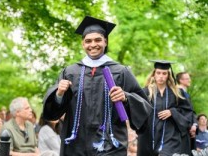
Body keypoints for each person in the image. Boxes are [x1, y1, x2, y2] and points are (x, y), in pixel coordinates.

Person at [43, 16, 152, 156]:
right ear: (83, 44)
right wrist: (58, 94)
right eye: (88, 41)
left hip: (110, 144)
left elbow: (144, 108)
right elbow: (53, 113)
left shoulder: (120, 72)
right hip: (76, 144)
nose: (93, 44)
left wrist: (126, 97)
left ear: (105, 42)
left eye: (98, 40)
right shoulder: (70, 72)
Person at [137, 60, 194, 156]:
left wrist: (173, 112)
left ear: (168, 75)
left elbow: (187, 112)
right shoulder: (145, 92)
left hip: (170, 137)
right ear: (154, 74)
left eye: (164, 73)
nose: (161, 76)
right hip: (149, 136)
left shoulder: (177, 93)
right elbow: (136, 111)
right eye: (158, 73)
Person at [176, 72, 198, 154]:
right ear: (181, 80)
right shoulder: (177, 93)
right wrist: (190, 126)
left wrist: (194, 125)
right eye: (187, 78)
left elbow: (191, 111)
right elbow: (181, 111)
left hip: (189, 130)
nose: (190, 80)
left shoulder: (186, 94)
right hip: (182, 131)